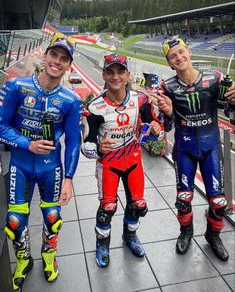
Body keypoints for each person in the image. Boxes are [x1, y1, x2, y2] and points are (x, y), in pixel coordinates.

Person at [0, 33, 83, 290]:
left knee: (52, 216)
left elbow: (74, 141)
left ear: (69, 65)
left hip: (51, 169)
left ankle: (49, 257)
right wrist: (27, 144)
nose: (57, 61)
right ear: (45, 56)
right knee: (14, 222)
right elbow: (1, 125)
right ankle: (24, 260)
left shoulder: (71, 100)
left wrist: (69, 178)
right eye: (54, 55)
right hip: (20, 166)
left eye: (64, 58)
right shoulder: (17, 87)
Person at [156, 36, 235, 261]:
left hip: (211, 148)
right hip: (184, 149)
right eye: (173, 56)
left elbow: (231, 116)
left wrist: (233, 102)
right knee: (183, 198)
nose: (178, 57)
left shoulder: (216, 78)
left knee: (218, 201)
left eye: (181, 52)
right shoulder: (167, 87)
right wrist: (169, 112)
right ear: (169, 63)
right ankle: (186, 232)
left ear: (189, 53)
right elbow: (166, 126)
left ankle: (213, 235)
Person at [81, 53, 163, 267]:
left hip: (134, 160)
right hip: (108, 164)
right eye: (110, 71)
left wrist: (155, 128)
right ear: (104, 75)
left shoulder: (141, 100)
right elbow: (86, 146)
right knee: (107, 208)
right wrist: (98, 148)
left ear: (128, 75)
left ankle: (129, 237)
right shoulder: (94, 108)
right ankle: (102, 244)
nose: (115, 76)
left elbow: (154, 127)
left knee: (137, 205)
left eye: (120, 71)